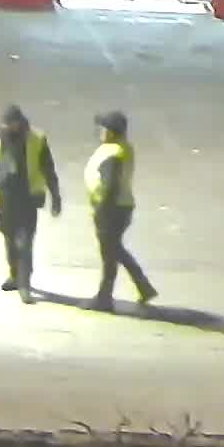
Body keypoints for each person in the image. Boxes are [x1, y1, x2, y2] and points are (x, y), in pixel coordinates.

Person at [0, 105, 62, 296]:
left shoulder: (36, 139)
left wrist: (55, 196)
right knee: (9, 240)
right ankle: (14, 276)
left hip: (28, 198)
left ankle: (25, 284)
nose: (8, 128)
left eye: (11, 124)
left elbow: (49, 169)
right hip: (4, 198)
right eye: (5, 125)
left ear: (20, 122)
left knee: (24, 242)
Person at [84, 109, 156, 311]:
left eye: (103, 128)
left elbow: (110, 186)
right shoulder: (120, 147)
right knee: (115, 251)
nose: (100, 131)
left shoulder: (114, 153)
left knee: (110, 255)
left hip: (112, 209)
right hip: (120, 207)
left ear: (112, 132)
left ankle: (104, 299)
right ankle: (144, 287)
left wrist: (101, 210)